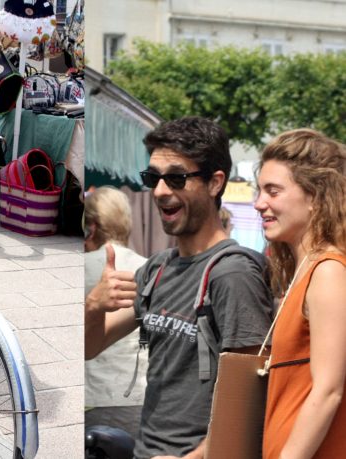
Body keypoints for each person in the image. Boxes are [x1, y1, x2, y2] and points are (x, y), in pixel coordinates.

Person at [85, 116, 273, 458]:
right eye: (153, 178)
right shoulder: (157, 269)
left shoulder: (233, 274)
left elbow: (250, 398)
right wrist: (94, 307)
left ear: (215, 183)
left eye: (175, 178)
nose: (159, 191)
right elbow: (90, 346)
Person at [256, 130, 346, 458]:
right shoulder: (309, 272)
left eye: (273, 191)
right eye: (260, 190)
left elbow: (328, 391)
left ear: (315, 197)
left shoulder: (328, 272)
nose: (259, 202)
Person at [83, 187, 148, 439]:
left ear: (93, 226)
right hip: (140, 399)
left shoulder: (86, 265)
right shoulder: (149, 267)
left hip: (95, 398)